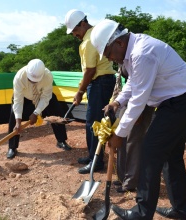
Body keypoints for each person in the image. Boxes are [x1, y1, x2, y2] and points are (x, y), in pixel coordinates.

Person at [90, 19, 186, 220]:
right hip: (178, 100)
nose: (109, 59)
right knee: (171, 157)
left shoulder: (142, 53)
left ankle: (142, 213)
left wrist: (119, 134)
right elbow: (133, 81)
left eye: (108, 54)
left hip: (181, 101)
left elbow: (139, 101)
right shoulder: (132, 52)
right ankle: (183, 211)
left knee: (150, 151)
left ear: (119, 43)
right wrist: (117, 102)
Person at [64, 10, 116, 174]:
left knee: (94, 123)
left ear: (82, 23)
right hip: (103, 82)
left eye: (74, 30)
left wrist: (80, 91)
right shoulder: (96, 34)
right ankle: (93, 155)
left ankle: (96, 161)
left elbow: (90, 70)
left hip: (99, 83)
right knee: (93, 122)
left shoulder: (88, 41)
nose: (74, 34)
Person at [7, 59, 72, 159]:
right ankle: (12, 147)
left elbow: (46, 97)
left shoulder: (48, 75)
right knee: (13, 117)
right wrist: (18, 122)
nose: (33, 81)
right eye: (30, 79)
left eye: (35, 80)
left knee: (56, 111)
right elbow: (18, 101)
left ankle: (61, 140)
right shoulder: (19, 77)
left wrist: (36, 113)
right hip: (24, 97)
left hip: (42, 97)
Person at [113, 65, 155, 193]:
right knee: (121, 138)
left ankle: (131, 182)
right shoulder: (125, 58)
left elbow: (144, 88)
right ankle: (122, 177)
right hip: (129, 99)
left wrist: (140, 111)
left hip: (142, 101)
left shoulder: (140, 56)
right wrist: (116, 102)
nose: (110, 59)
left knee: (134, 141)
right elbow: (130, 82)